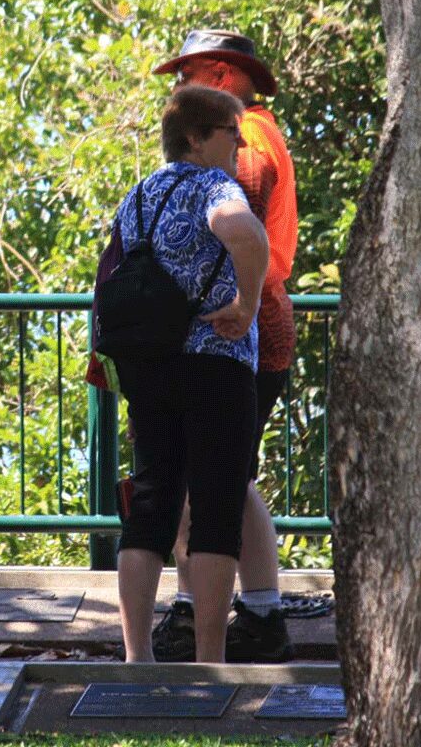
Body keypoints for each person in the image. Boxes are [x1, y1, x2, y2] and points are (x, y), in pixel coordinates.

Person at [149, 29, 299, 663]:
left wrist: (237, 303)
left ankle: (235, 613)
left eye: (185, 76)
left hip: (240, 328)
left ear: (216, 73)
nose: (179, 90)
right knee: (224, 474)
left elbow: (239, 224)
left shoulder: (248, 139)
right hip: (239, 325)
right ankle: (246, 610)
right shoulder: (259, 131)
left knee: (215, 474)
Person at [116, 86, 269, 663]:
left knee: (150, 503)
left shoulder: (138, 196)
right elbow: (246, 234)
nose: (241, 145)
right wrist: (246, 305)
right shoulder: (214, 186)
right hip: (215, 364)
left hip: (149, 365)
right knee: (216, 506)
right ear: (196, 138)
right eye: (232, 132)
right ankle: (209, 662)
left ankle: (137, 659)